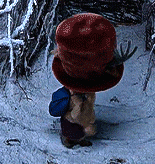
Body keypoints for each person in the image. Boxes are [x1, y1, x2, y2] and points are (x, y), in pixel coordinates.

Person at [51, 12, 136, 148]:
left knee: (82, 117)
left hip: (81, 116)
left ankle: (78, 137)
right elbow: (75, 115)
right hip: (74, 123)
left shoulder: (86, 96)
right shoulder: (76, 100)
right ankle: (70, 139)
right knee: (75, 128)